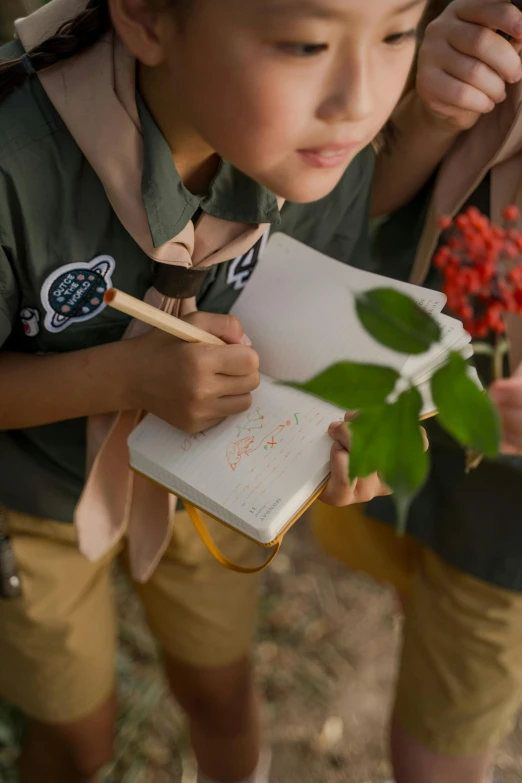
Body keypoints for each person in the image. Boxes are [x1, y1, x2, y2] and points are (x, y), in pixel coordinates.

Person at [0, 0, 433, 781]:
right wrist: (124, 376)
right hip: (29, 496)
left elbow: (314, 330)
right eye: (305, 43)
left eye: (400, 31)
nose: (361, 98)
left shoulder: (322, 152)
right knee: (75, 740)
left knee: (225, 693)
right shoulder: (13, 167)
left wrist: (346, 439)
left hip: (212, 477)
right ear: (146, 15)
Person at [312, 1, 522, 782]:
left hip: (505, 515)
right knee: (412, 571)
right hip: (408, 384)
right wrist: (428, 111)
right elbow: (351, 203)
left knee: (437, 738)